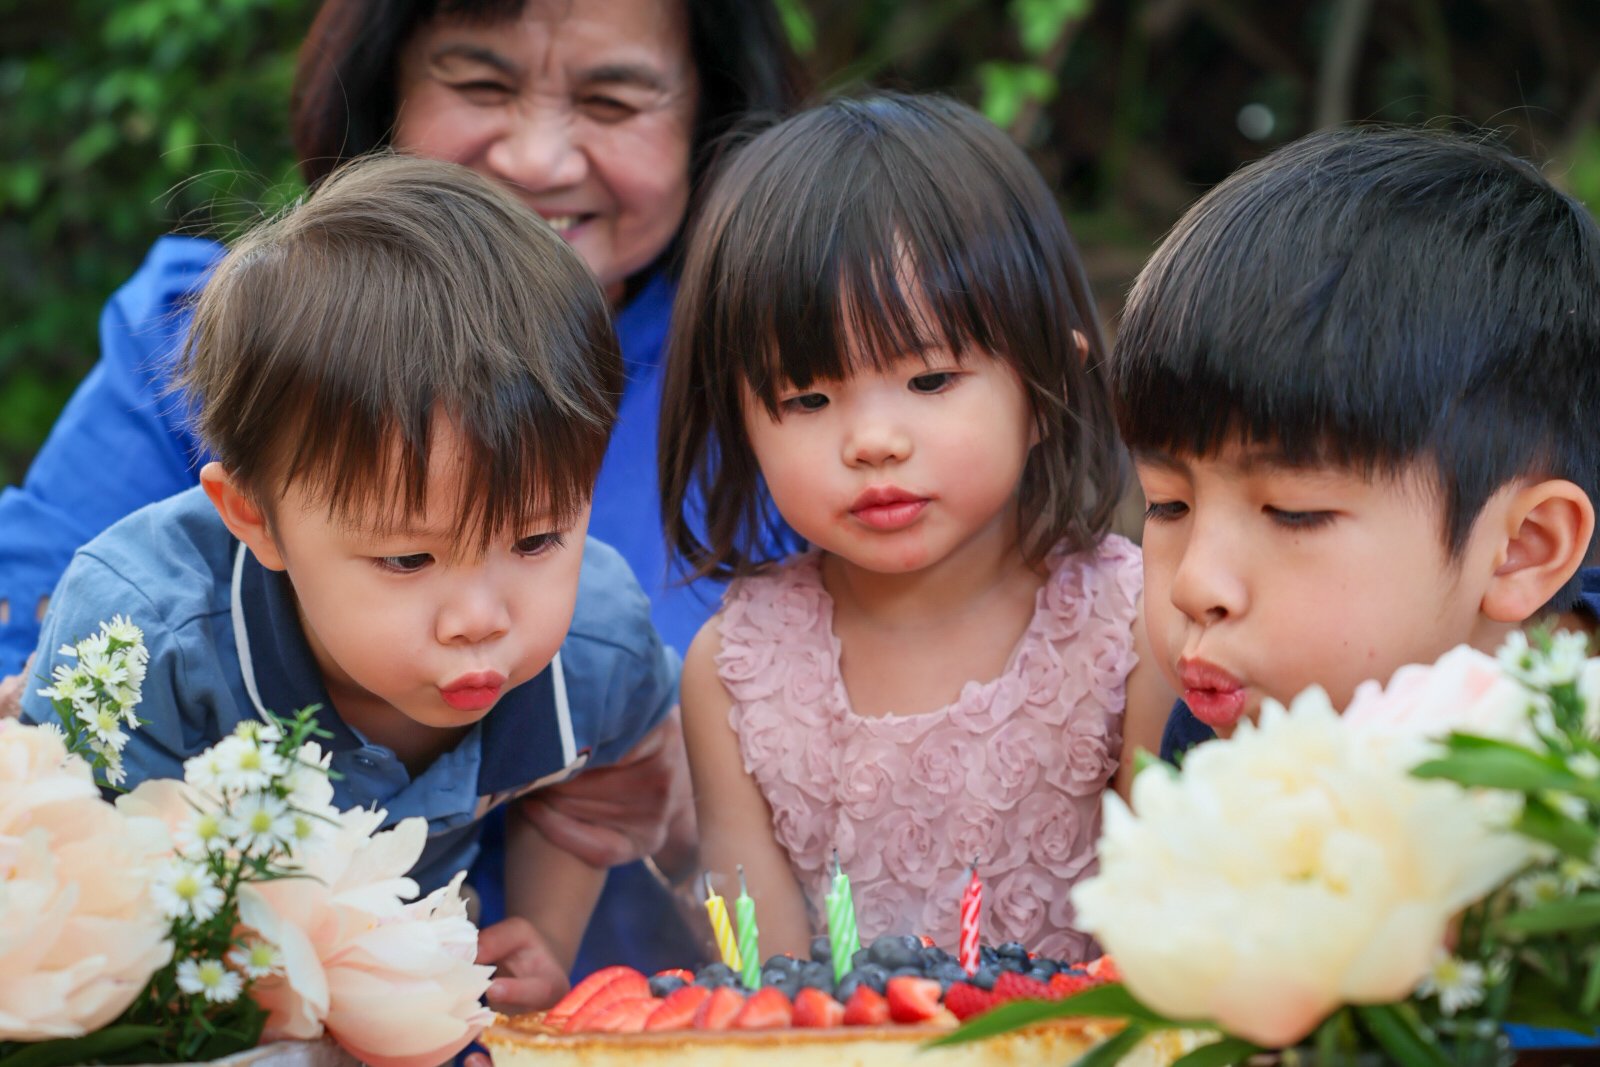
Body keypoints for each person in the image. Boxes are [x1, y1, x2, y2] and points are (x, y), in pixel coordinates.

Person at [0, 0, 806, 975]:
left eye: (611, 99)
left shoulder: (801, 373)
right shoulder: (216, 366)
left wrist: (686, 802)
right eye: (480, 84)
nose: (541, 158)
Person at [20, 155, 676, 1013]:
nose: (480, 619)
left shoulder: (594, 638)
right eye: (408, 560)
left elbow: (606, 776)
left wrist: (546, 933)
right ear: (253, 516)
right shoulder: (147, 646)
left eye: (537, 537)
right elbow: (64, 900)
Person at [1112, 124, 1600, 1055]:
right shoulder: (1212, 750)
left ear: (1522, 549)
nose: (1197, 585)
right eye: (1167, 503)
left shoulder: (1575, 808)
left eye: (1292, 513)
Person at [658, 93, 1176, 963]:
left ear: (1049, 385)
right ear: (739, 418)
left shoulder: (1131, 632)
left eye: (931, 380)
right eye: (808, 398)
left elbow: (1165, 948)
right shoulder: (734, 675)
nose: (872, 441)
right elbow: (760, 992)